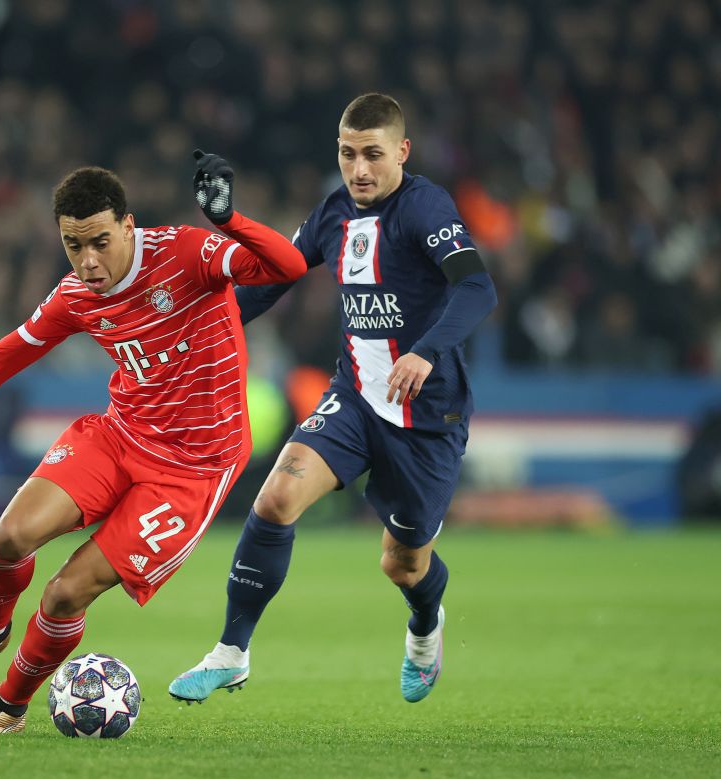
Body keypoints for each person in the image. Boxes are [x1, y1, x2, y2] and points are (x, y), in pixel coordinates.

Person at [0, 153, 307, 733]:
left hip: (193, 468)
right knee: (9, 537)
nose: (89, 261)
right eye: (74, 246)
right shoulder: (74, 295)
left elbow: (290, 266)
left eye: (100, 241)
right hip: (121, 435)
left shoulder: (189, 253)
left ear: (129, 225)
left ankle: (8, 704)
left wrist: (229, 219)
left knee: (64, 594)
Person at [168, 93, 497, 704]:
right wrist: (195, 333)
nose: (360, 170)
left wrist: (424, 351)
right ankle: (231, 652)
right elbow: (274, 278)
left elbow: (477, 287)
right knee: (276, 498)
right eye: (348, 154)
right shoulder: (331, 214)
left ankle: (426, 624)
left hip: (427, 415)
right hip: (353, 398)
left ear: (402, 151)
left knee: (402, 563)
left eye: (373, 154)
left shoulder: (425, 208)